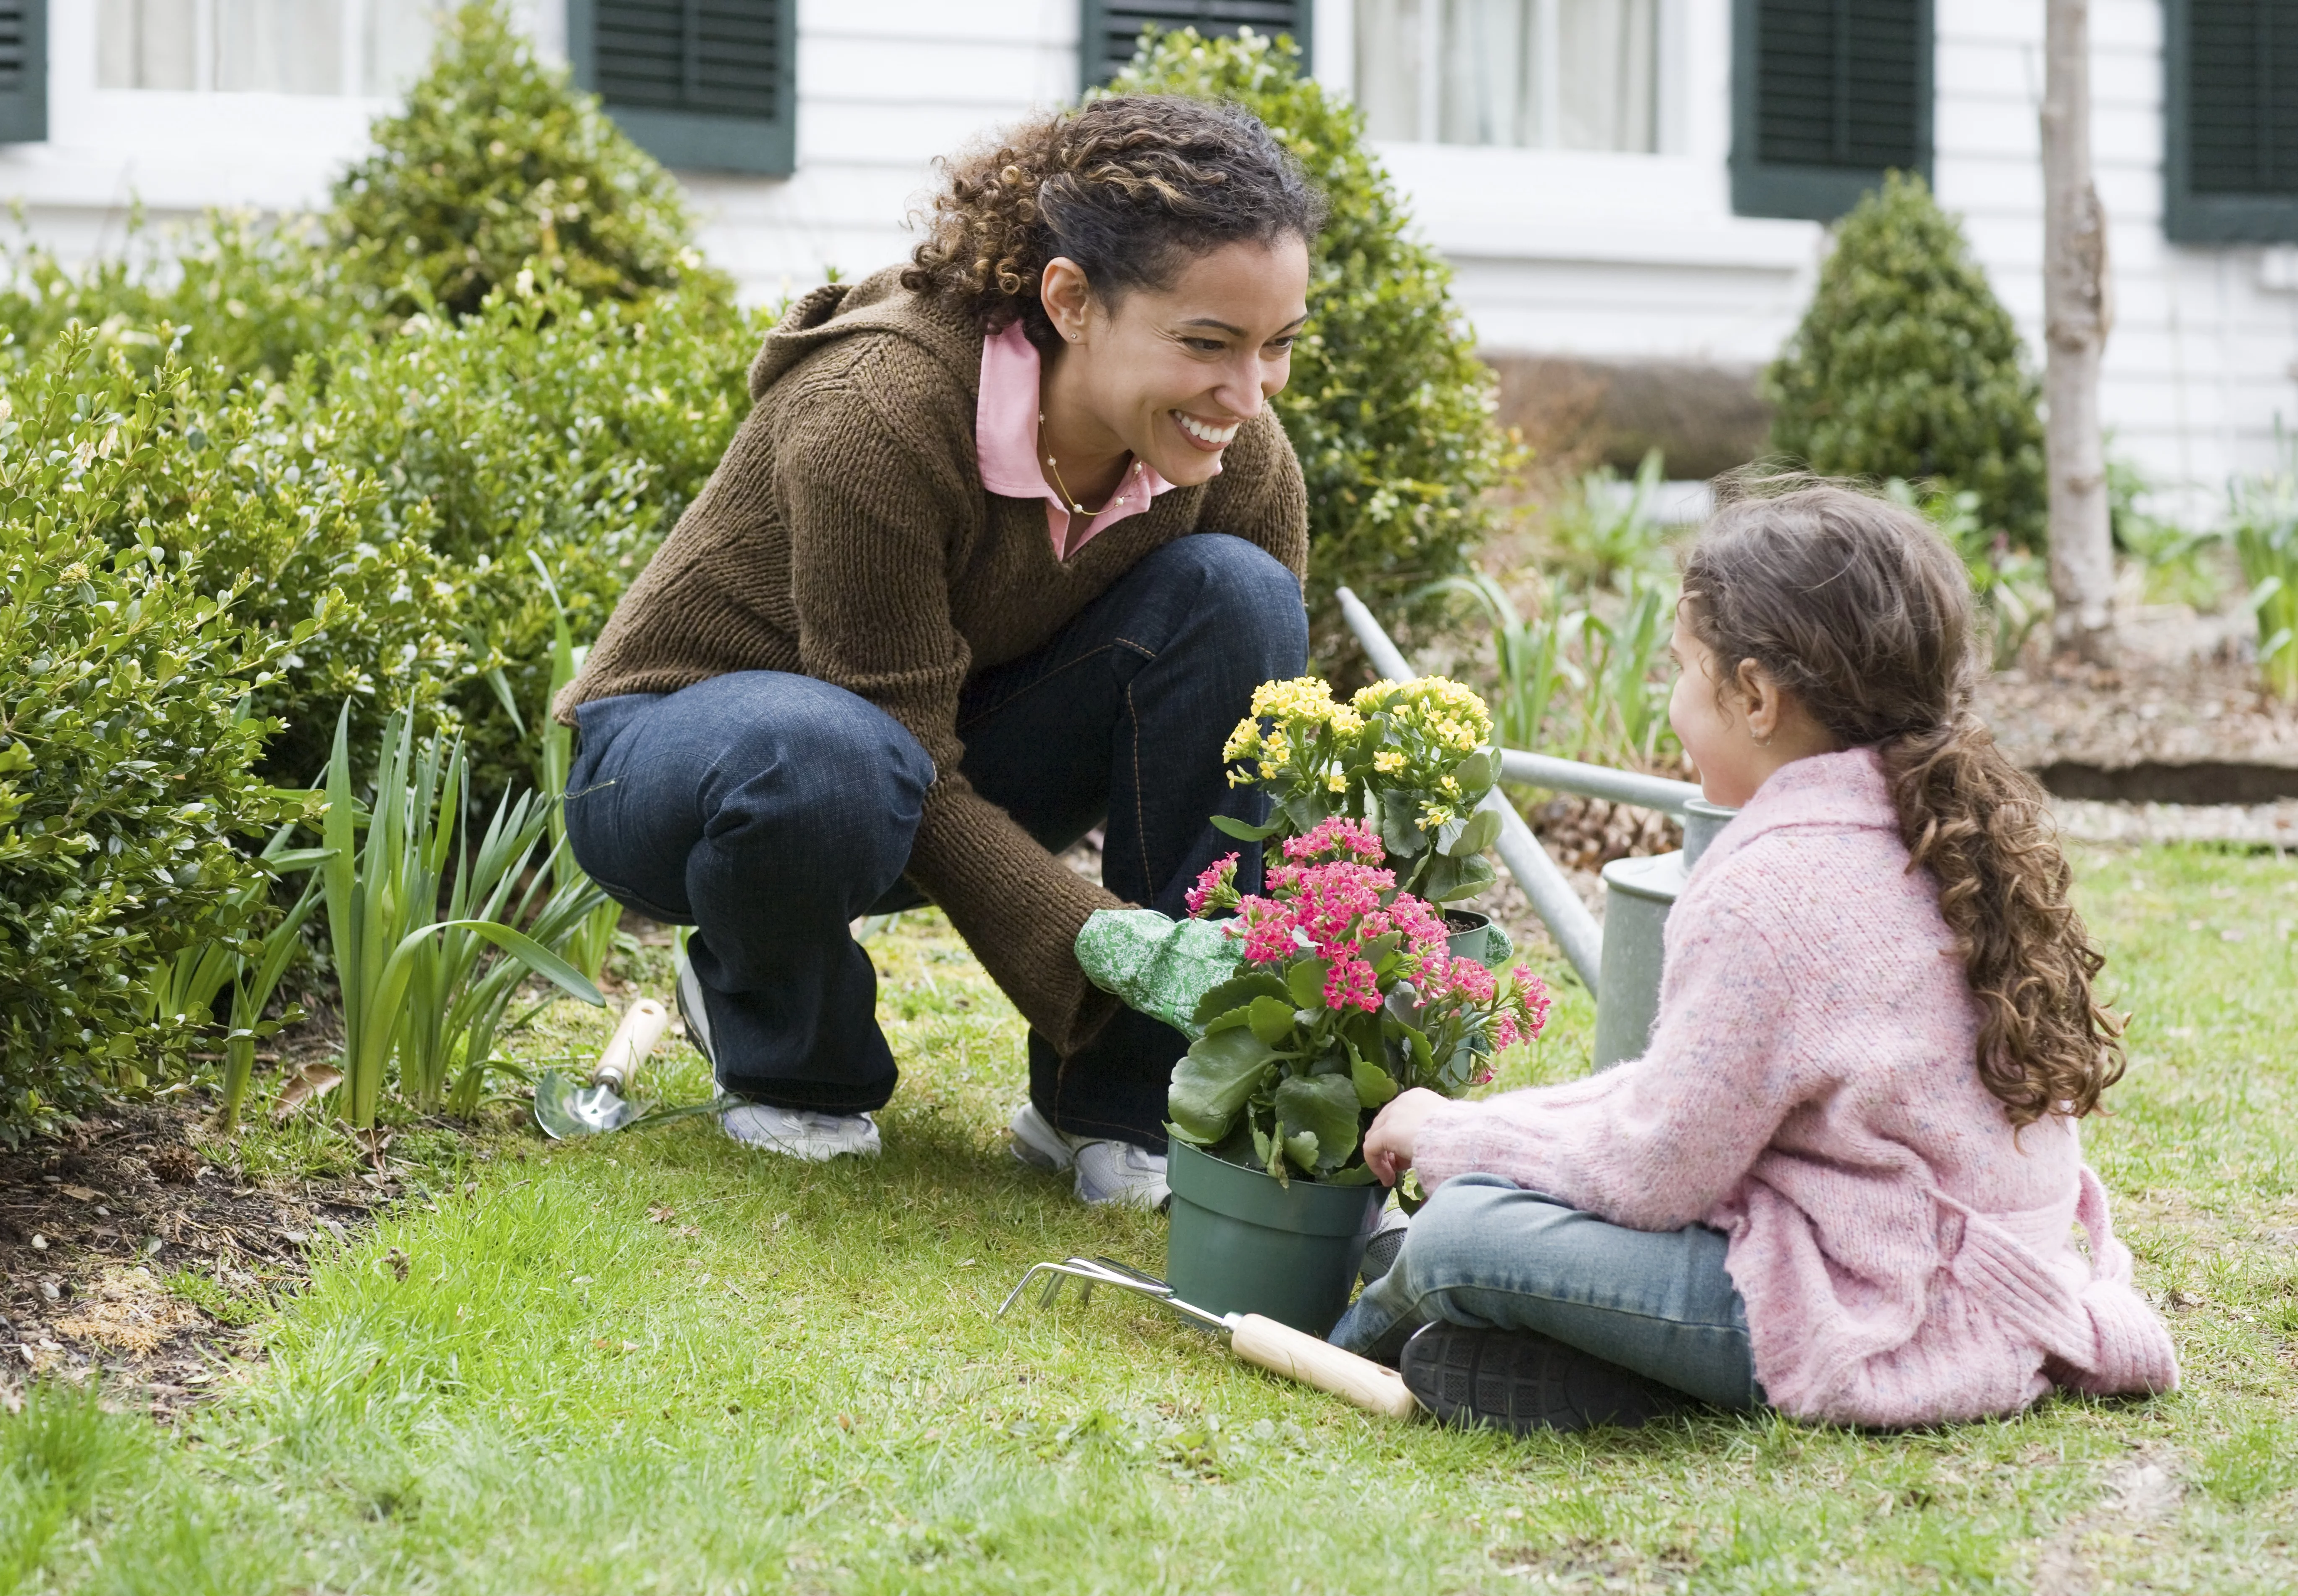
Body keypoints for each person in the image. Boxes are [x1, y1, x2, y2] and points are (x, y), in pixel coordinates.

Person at [553, 96, 1325, 1207]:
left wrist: (1313, 960)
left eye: (1278, 346)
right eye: (1207, 344)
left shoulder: (1231, 446)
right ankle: (782, 1043)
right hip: (686, 760)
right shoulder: (880, 411)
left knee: (1241, 598)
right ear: (1069, 300)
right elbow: (896, 747)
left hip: (916, 750)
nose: (1248, 394)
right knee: (826, 752)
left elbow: (1260, 750)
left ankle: (1117, 1106)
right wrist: (1119, 953)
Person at [1341, 482, 2180, 1432]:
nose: (1671, 705)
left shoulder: (1773, 888)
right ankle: (1570, 1368)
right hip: (1949, 1275)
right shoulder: (1931, 823)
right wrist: (1485, 1123)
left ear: (1754, 696)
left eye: (1683, 671)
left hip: (1882, 1313)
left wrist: (1461, 1141)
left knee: (1458, 1235)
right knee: (1494, 1218)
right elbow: (1680, 1095)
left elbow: (1658, 1171)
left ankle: (1347, 1331)